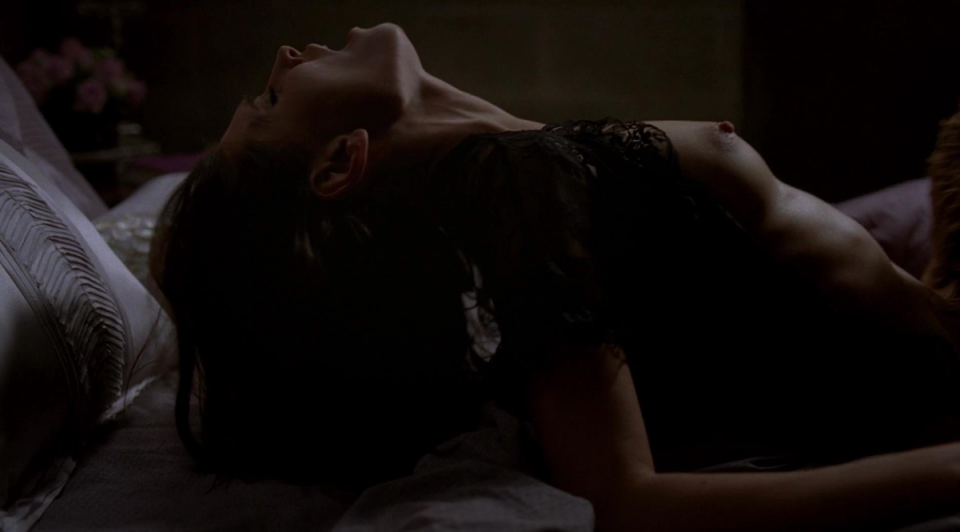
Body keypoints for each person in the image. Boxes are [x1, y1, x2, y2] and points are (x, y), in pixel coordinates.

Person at [151, 22, 960, 532]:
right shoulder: (521, 205)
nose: (285, 56)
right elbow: (623, 498)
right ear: (337, 164)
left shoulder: (516, 171)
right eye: (271, 99)